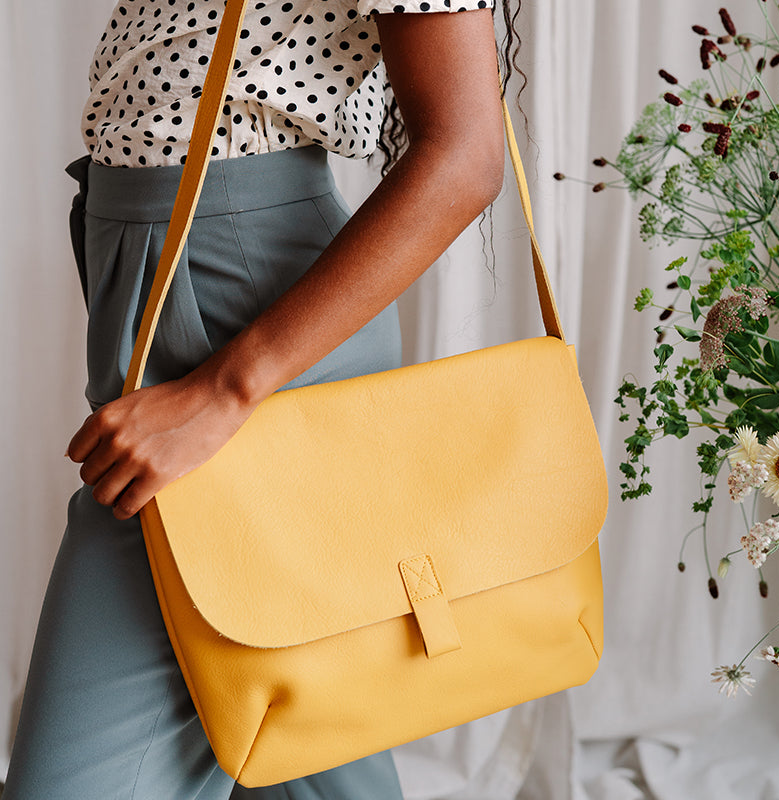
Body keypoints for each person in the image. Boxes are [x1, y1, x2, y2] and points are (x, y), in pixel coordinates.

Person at [3, 0, 524, 797]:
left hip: (249, 320)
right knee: (306, 735)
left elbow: (467, 157)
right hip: (174, 280)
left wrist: (225, 389)